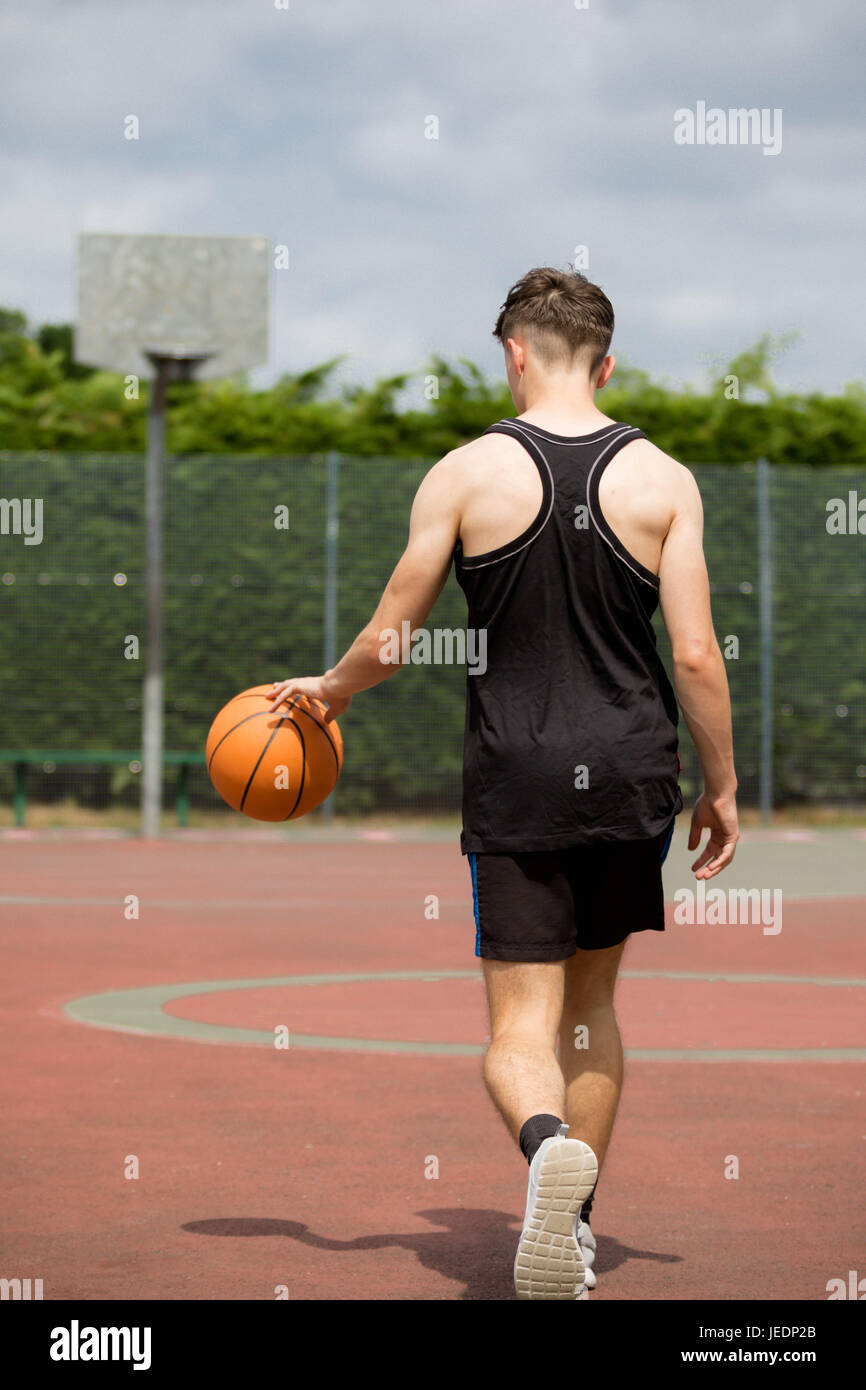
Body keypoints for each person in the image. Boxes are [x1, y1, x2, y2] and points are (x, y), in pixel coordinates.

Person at [268, 266, 739, 1300]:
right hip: (628, 773)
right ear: (606, 362)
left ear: (513, 354)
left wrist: (331, 690)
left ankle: (540, 1148)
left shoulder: (465, 472)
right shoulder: (663, 479)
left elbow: (395, 635)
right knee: (592, 1013)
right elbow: (697, 654)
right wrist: (721, 785)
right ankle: (571, 1234)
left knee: (514, 1030)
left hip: (515, 777)